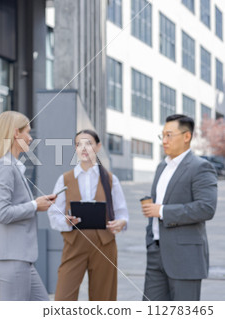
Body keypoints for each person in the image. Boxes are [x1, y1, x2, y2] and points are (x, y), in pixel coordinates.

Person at [142, 114, 217, 301]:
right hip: (156, 254)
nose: (164, 141)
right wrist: (150, 241)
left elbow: (206, 208)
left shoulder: (201, 167)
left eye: (169, 135)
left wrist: (162, 211)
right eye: (162, 136)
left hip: (185, 258)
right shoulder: (162, 167)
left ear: (186, 136)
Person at [48, 129, 129, 301]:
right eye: (79, 144)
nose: (84, 148)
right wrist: (66, 221)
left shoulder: (110, 179)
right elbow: (53, 214)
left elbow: (122, 213)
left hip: (104, 244)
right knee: (64, 297)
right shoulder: (65, 179)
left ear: (98, 147)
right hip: (74, 244)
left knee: (103, 298)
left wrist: (120, 223)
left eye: (89, 143)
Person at [0, 111, 55, 301]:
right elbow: (1, 213)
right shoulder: (4, 167)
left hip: (19, 259)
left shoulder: (12, 166)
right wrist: (34, 205)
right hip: (11, 259)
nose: (30, 138)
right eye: (27, 132)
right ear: (16, 133)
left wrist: (36, 204)